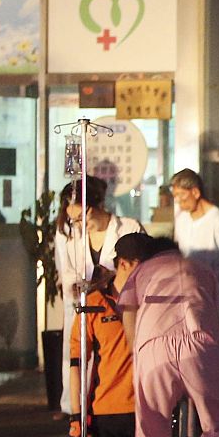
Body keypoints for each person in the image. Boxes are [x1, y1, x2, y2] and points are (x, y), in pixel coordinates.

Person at [115, 233, 219, 437]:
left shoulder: (140, 272)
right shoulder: (202, 269)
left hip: (152, 347)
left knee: (152, 431)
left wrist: (139, 358)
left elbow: (128, 319)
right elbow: (218, 316)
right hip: (201, 344)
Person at [53, 177, 143, 414]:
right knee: (76, 355)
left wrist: (105, 280)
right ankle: (74, 407)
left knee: (117, 360)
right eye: (73, 219)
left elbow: (140, 271)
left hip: (118, 309)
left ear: (95, 208)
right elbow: (67, 273)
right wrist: (79, 287)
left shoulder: (129, 228)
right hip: (83, 306)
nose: (79, 224)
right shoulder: (66, 233)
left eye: (83, 218)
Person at [69, 265, 135, 437]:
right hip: (107, 410)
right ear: (125, 264)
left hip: (148, 406)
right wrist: (75, 417)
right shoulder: (93, 305)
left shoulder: (151, 301)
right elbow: (76, 364)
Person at [169, 168, 219, 302]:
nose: (177, 201)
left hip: (214, 298)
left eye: (181, 195)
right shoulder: (181, 218)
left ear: (195, 192)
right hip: (187, 296)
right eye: (175, 196)